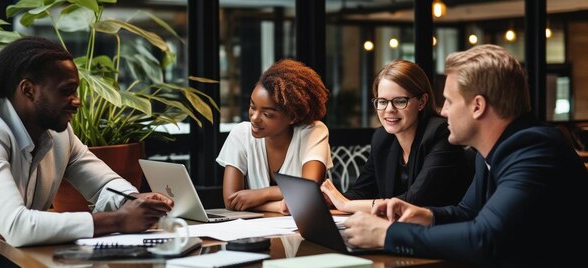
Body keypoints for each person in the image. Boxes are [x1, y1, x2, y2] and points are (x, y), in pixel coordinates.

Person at [343, 45, 588, 266]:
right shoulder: (491, 150)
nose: (443, 111)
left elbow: (485, 238)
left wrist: (386, 234)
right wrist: (426, 215)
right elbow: (467, 212)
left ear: (477, 106)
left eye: (449, 101)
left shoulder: (534, 149)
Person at [0, 37, 174, 268]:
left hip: (18, 257)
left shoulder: (60, 135)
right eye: (67, 91)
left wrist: (134, 200)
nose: (77, 101)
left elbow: (105, 184)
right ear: (28, 90)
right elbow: (17, 226)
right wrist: (119, 220)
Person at [321, 60, 473, 213]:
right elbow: (362, 192)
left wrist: (345, 205)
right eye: (382, 101)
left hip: (439, 232)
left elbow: (414, 201)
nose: (389, 109)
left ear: (422, 102)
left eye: (400, 101)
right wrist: (332, 200)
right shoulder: (382, 138)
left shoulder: (440, 134)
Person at [216, 59, 332, 214]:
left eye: (267, 114)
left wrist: (261, 194)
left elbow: (308, 188)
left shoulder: (313, 132)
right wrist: (279, 206)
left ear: (293, 117)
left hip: (301, 232)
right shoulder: (241, 134)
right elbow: (231, 201)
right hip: (254, 234)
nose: (255, 118)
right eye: (252, 107)